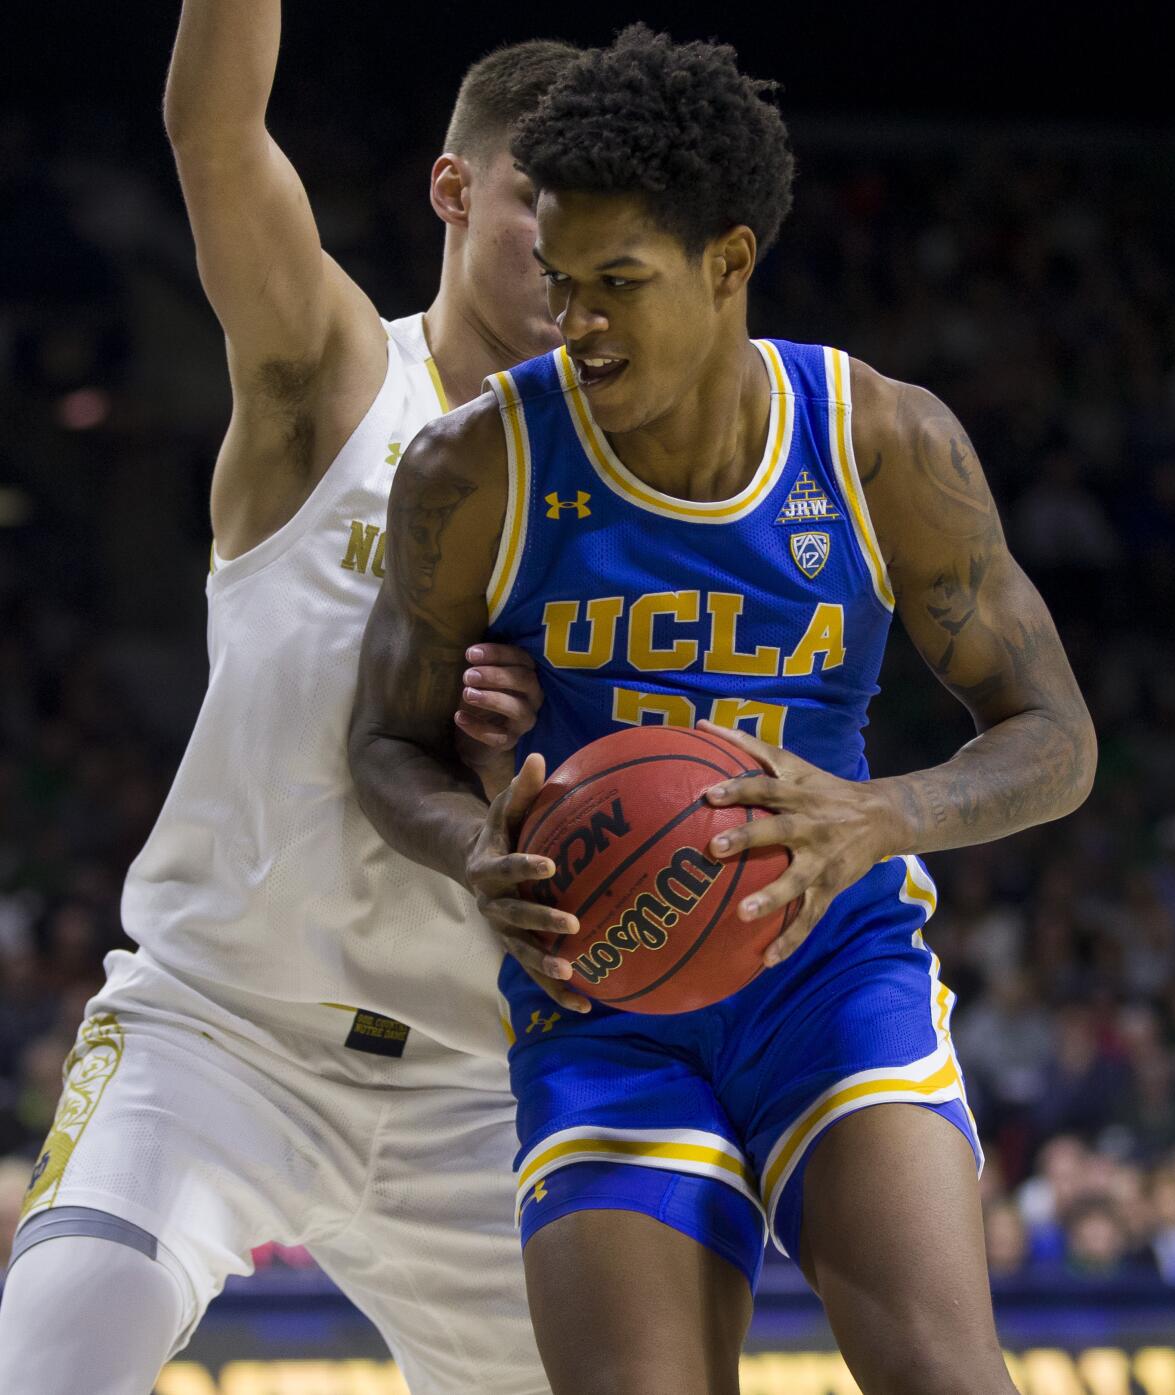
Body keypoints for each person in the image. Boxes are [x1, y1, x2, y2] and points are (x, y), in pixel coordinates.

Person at [349, 26, 1097, 1395]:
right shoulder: (476, 471)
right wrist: (472, 847)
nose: (574, 322)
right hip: (604, 989)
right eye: (561, 282)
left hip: (829, 966)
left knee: (947, 1372)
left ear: (728, 263)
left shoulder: (880, 443)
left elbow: (1057, 740)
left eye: (618, 286)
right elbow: (386, 744)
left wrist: (877, 814)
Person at [0, 5, 581, 1393]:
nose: (575, 250)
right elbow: (215, 133)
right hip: (223, 1035)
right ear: (453, 189)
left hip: (481, 1088)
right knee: (58, 1357)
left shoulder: (635, 497)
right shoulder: (338, 377)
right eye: (539, 202)